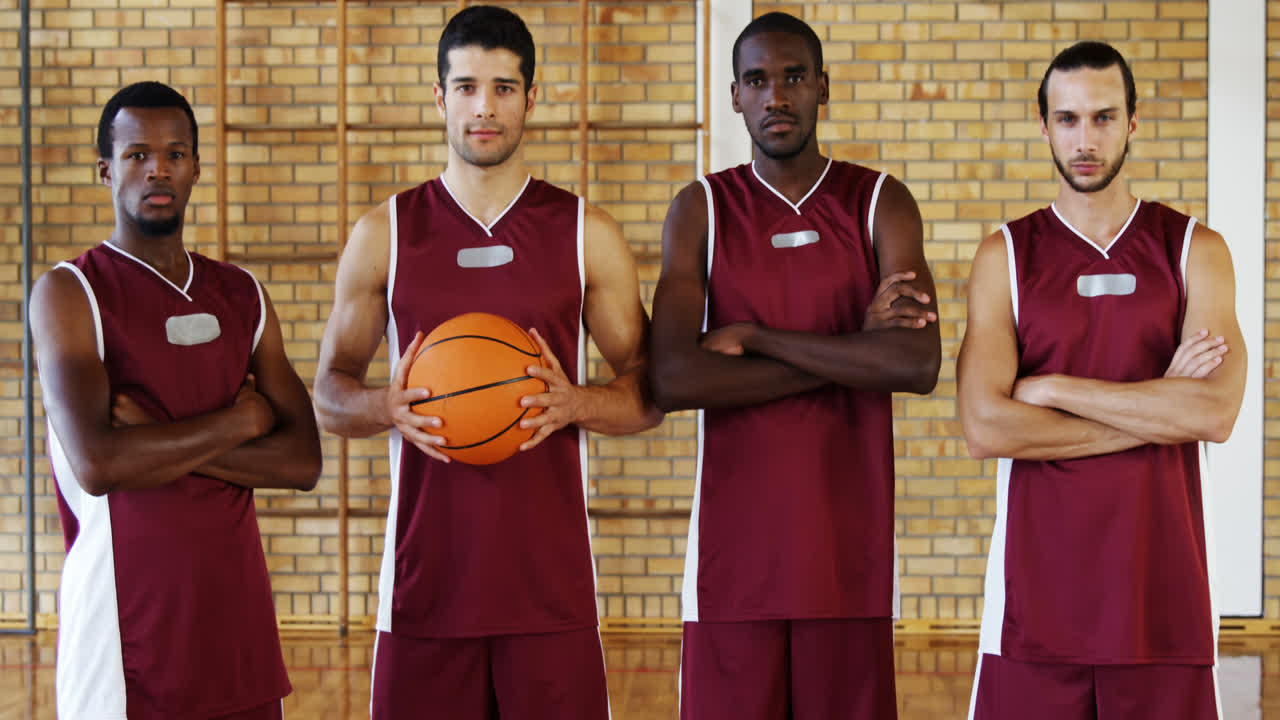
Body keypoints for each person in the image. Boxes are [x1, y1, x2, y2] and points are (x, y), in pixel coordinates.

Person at [312, 6, 661, 719]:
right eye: (467, 87)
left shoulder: (585, 233)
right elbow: (328, 395)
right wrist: (386, 406)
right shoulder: (386, 233)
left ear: (532, 98)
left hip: (550, 585)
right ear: (439, 97)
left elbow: (651, 391)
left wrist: (578, 403)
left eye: (504, 88)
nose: (484, 107)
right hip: (424, 583)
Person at [649, 12, 941, 719]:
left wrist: (755, 335)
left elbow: (916, 361)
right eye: (758, 80)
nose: (776, 95)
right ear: (735, 97)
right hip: (733, 560)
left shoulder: (879, 201)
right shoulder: (700, 210)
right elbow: (673, 378)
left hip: (849, 556)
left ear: (823, 89)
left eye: (793, 78)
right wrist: (851, 350)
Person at [958, 41, 1245, 720]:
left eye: (1103, 117)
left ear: (1134, 123)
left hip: (1162, 598)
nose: (1085, 139)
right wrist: (1155, 405)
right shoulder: (1004, 255)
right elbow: (983, 427)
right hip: (1035, 604)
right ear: (1044, 126)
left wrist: (1051, 387)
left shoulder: (1194, 250)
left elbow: (1214, 414)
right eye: (1068, 119)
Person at [29, 81, 323, 720]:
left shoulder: (241, 293)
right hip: (124, 635)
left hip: (237, 629)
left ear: (195, 168)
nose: (157, 169)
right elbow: (100, 464)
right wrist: (240, 422)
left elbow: (302, 462)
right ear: (106, 169)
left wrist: (158, 439)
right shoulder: (69, 292)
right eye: (137, 155)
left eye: (175, 154)